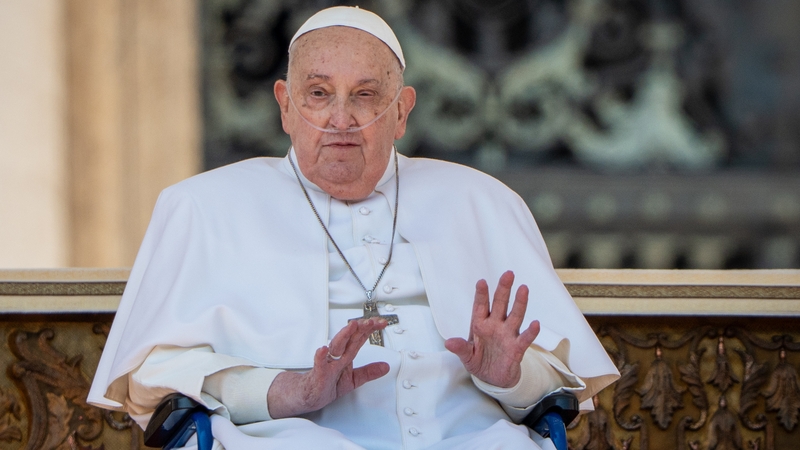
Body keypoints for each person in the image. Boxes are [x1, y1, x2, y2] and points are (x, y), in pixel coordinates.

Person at [89, 6, 619, 449]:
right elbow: (151, 381)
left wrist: (509, 374)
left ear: (402, 110)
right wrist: (286, 391)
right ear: (285, 106)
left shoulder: (482, 201)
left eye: (365, 95)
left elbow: (559, 386)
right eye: (318, 94)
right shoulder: (202, 207)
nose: (341, 119)